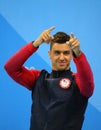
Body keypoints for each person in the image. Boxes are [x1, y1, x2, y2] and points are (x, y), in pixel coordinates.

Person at [4, 26, 94, 130]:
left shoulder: (78, 81)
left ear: (71, 56)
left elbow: (88, 85)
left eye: (66, 53)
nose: (61, 57)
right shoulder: (38, 78)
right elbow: (10, 68)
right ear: (49, 54)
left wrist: (79, 54)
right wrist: (36, 43)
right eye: (57, 52)